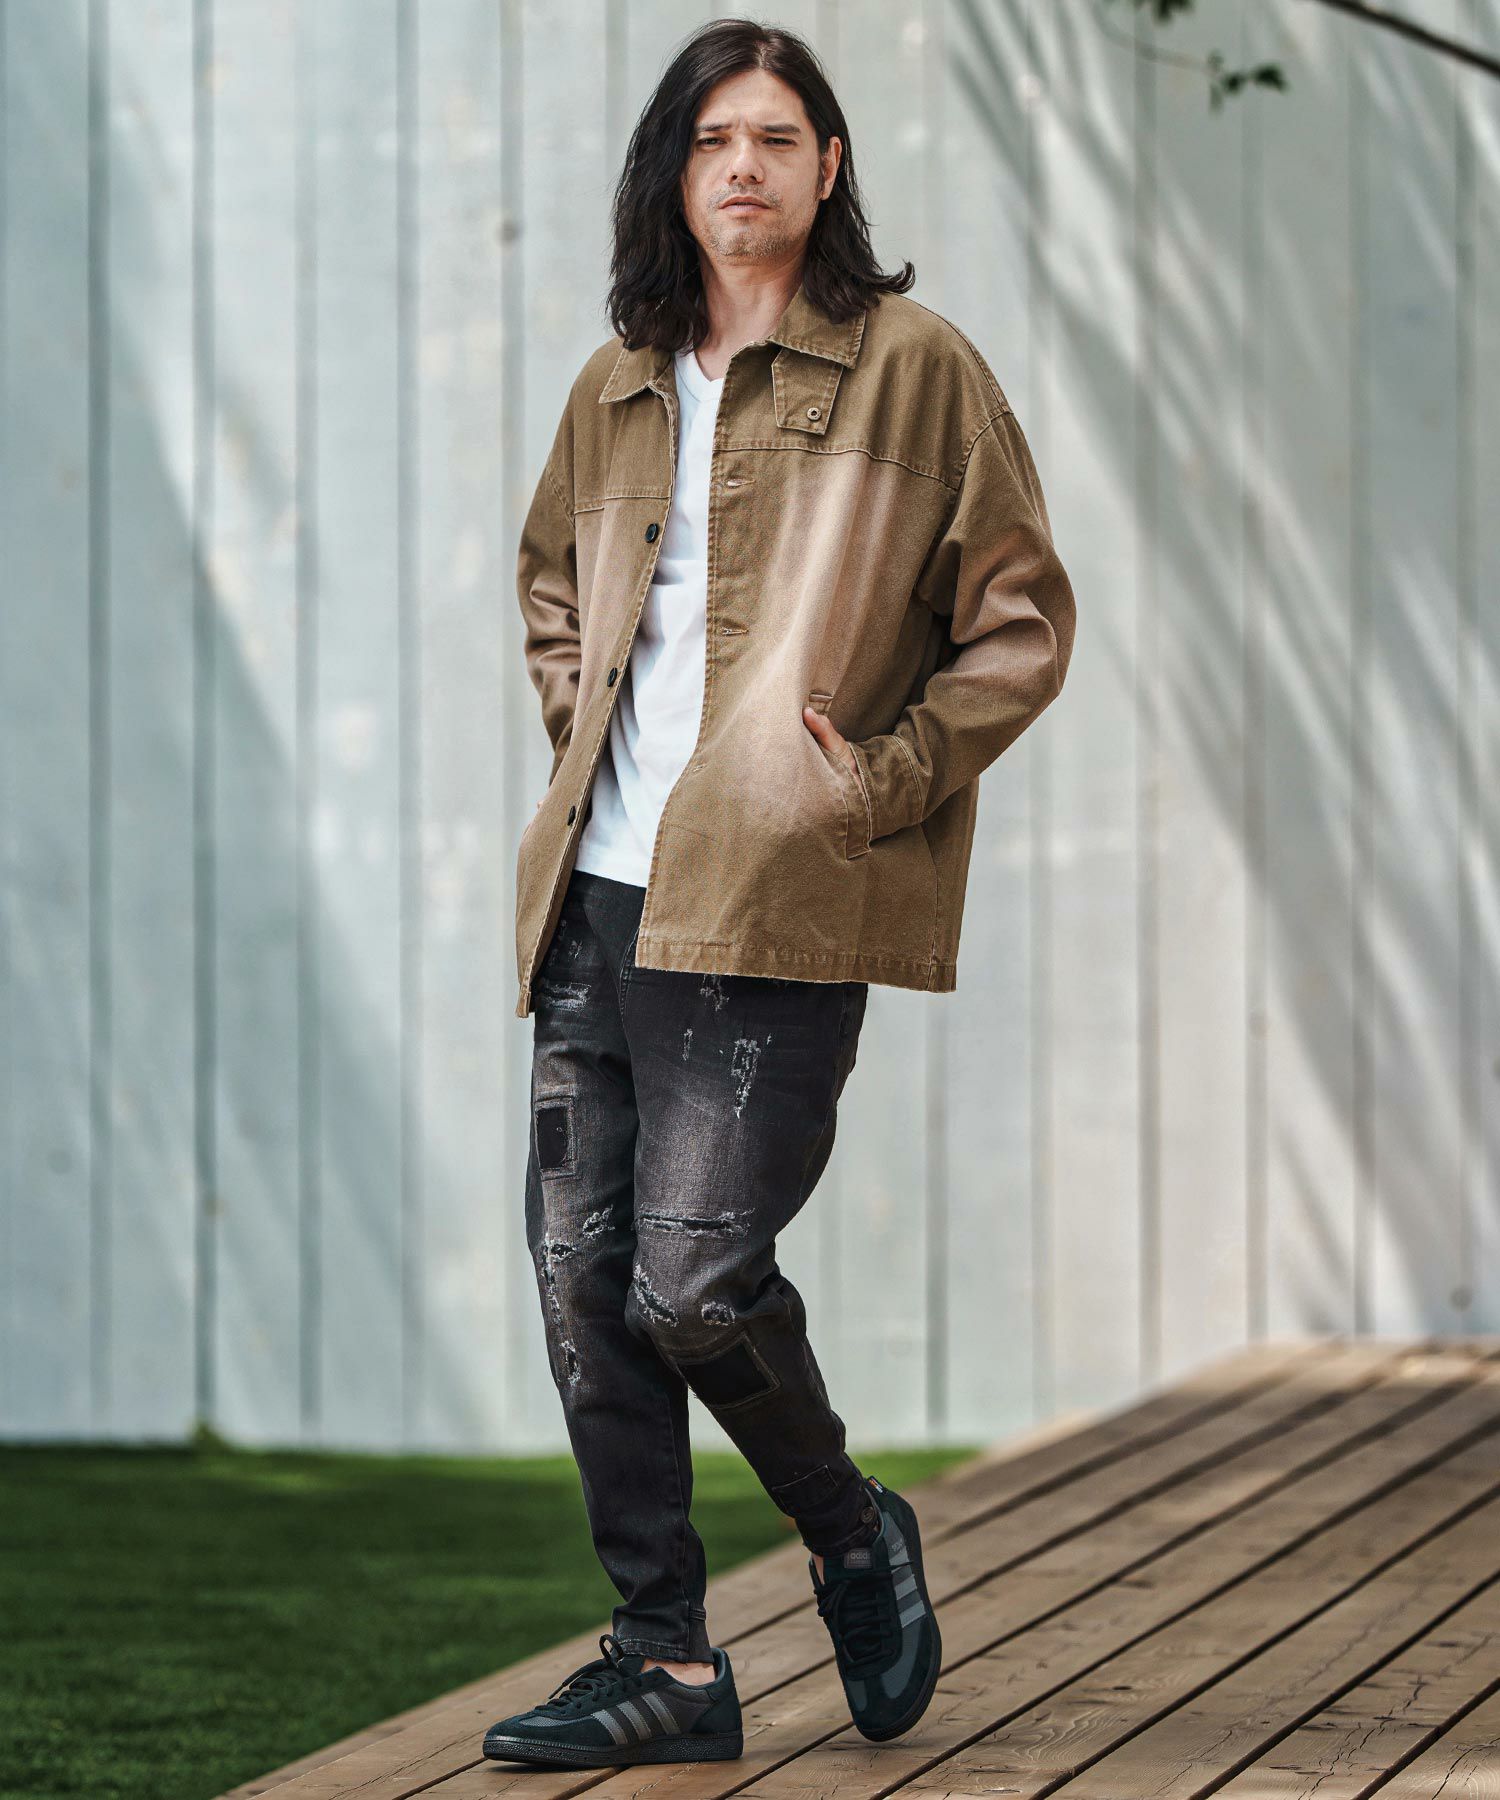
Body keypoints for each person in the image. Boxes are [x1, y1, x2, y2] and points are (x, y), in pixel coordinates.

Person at [483, 15, 1075, 1771]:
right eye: (712, 137)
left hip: (770, 905)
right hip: (595, 895)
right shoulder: (617, 381)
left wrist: (872, 784)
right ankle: (666, 1663)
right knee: (583, 1283)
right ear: (674, 171)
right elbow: (551, 586)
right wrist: (586, 735)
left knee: (692, 1281)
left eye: (777, 136)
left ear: (829, 167)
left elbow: (1021, 625)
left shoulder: (917, 371)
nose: (742, 164)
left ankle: (850, 1530)